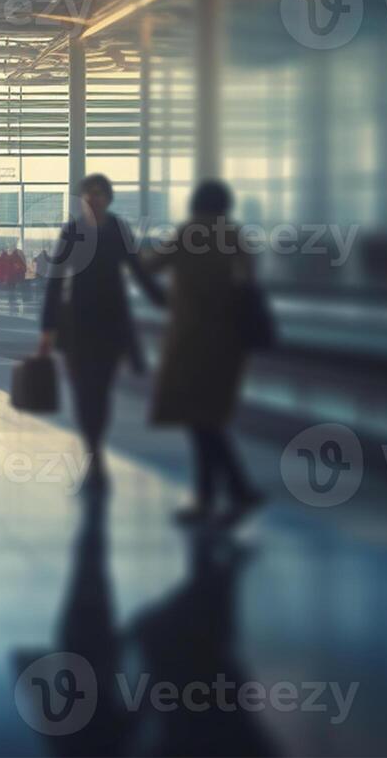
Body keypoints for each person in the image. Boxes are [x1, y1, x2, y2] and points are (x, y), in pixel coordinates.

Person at [141, 180, 263, 525]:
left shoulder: (188, 234)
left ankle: (221, 495)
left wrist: (131, 253)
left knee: (199, 419)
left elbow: (150, 266)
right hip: (231, 340)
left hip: (193, 338)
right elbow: (249, 283)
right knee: (210, 417)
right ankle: (229, 493)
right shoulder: (235, 235)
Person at [39, 173, 164, 492]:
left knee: (102, 389)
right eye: (88, 194)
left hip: (110, 322)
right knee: (84, 390)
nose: (93, 199)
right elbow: (56, 281)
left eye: (99, 194)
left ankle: (95, 447)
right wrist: (48, 329)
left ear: (107, 198)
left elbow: (137, 269)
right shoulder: (73, 231)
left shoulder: (118, 230)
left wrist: (165, 302)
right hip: (78, 323)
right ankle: (93, 451)